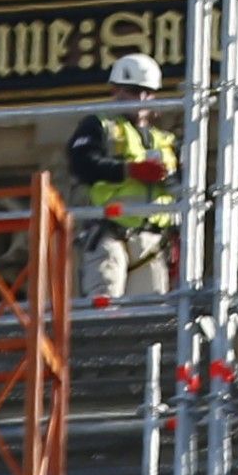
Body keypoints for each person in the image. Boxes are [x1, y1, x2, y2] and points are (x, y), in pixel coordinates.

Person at [67, 52, 180, 305]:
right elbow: (82, 163)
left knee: (150, 317)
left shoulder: (166, 141)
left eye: (146, 92)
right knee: (105, 308)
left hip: (152, 242)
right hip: (110, 234)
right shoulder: (99, 126)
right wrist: (129, 170)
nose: (140, 99)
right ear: (115, 90)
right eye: (132, 91)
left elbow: (187, 186)